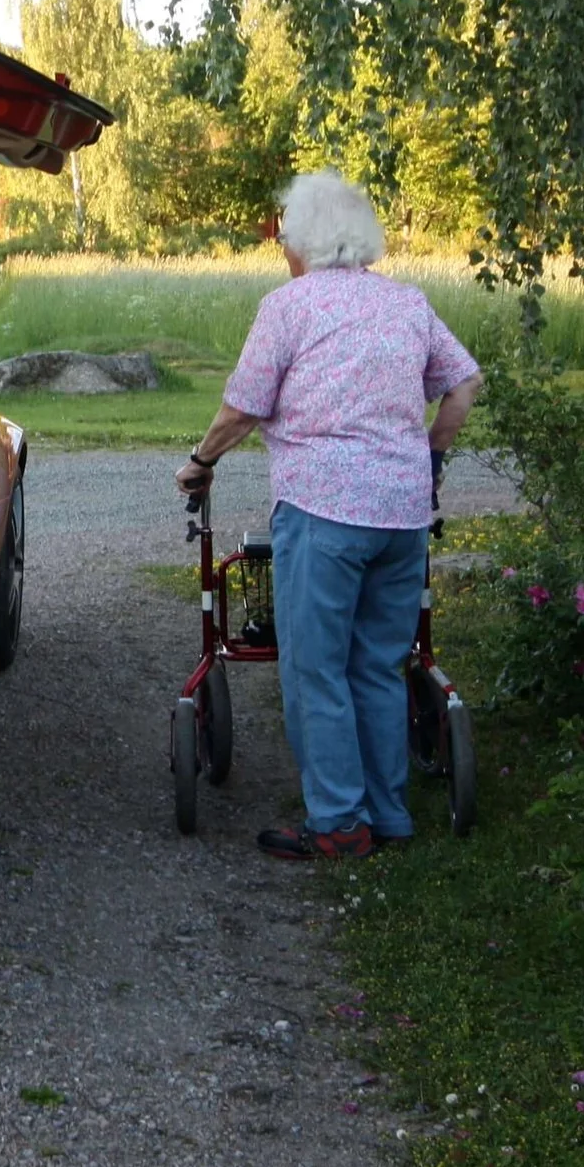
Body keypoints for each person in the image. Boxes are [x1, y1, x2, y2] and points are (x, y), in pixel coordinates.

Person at [174, 172, 481, 859]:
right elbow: (463, 384)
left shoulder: (289, 307)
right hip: (401, 517)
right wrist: (429, 457)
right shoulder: (406, 303)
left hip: (325, 511)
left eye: (285, 234)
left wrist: (201, 459)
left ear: (302, 241)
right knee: (377, 666)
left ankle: (340, 823)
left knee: (316, 671)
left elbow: (244, 407)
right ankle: (388, 815)